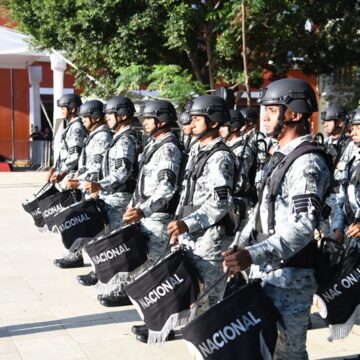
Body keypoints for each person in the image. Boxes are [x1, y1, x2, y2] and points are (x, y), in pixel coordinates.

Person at [224, 78, 331, 360]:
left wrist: (253, 254)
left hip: (291, 277)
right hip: (265, 272)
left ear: (294, 114)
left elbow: (303, 226)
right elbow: (261, 208)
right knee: (262, 349)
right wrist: (241, 244)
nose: (265, 116)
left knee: (288, 352)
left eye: (272, 110)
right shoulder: (282, 157)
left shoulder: (307, 162)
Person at [167, 95, 236, 317]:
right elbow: (187, 193)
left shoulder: (220, 157)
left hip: (210, 238)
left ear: (214, 122)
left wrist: (187, 223)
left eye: (198, 119)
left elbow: (220, 203)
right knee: (191, 294)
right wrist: (178, 224)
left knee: (208, 301)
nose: (192, 123)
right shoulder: (198, 151)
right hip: (191, 233)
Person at [123, 99, 183, 342]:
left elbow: (166, 189)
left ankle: (163, 326)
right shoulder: (156, 145)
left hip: (158, 218)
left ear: (161, 120)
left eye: (148, 118)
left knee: (159, 276)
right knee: (149, 272)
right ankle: (156, 321)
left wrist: (143, 210)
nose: (144, 122)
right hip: (148, 215)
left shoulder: (168, 149)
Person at [81, 96, 140, 303]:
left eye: (110, 114)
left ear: (122, 115)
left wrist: (100, 184)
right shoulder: (119, 137)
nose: (105, 117)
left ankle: (122, 289)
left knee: (119, 245)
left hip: (121, 198)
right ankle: (114, 283)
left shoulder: (125, 140)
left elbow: (122, 172)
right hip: (112, 196)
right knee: (111, 243)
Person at [53, 100, 113, 270]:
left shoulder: (101, 136)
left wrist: (73, 179)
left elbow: (95, 168)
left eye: (85, 117)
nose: (83, 120)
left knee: (96, 229)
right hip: (84, 183)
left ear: (94, 117)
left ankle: (96, 266)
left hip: (94, 187)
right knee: (82, 223)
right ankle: (77, 255)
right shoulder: (94, 133)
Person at [321, 104, 356, 236]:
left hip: (341, 197)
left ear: (340, 122)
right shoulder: (325, 143)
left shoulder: (351, 144)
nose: (325, 124)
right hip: (326, 196)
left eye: (329, 121)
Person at [333, 107, 360, 249]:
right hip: (351, 236)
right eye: (353, 128)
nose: (353, 133)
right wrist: (338, 227)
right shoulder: (353, 158)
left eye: (358, 128)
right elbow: (342, 196)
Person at [46, 94, 87, 185]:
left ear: (72, 109)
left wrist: (62, 173)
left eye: (63, 109)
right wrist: (54, 168)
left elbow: (74, 155)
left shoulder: (76, 128)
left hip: (70, 173)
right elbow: (64, 152)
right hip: (65, 170)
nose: (61, 112)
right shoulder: (71, 126)